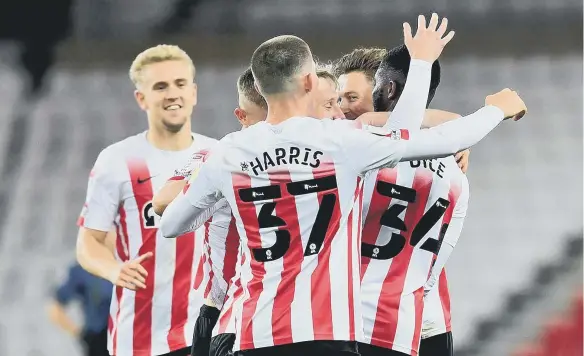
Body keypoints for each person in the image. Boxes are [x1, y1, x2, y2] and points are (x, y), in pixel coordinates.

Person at [160, 14, 526, 356]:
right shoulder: (340, 144)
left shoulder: (227, 153)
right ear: (308, 82)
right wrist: (491, 106)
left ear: (257, 86)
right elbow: (413, 135)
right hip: (332, 330)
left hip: (253, 328)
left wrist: (220, 194)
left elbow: (172, 224)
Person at [75, 44, 218, 356]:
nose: (172, 94)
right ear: (141, 98)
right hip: (140, 341)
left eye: (180, 84)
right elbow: (88, 242)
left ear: (193, 93)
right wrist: (114, 270)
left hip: (210, 333)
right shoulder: (116, 160)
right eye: (160, 86)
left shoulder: (218, 155)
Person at [358, 26, 468, 355]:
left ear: (388, 88)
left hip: (361, 322)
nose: (356, 107)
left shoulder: (361, 153)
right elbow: (437, 261)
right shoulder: (456, 173)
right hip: (418, 320)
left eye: (364, 92)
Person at [333, 46, 470, 173]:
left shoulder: (425, 150)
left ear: (384, 93)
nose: (340, 108)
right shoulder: (329, 136)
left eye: (352, 98)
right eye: (337, 100)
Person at [47, 232, 115, 356]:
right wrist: (80, 335)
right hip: (100, 341)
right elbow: (55, 309)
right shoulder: (85, 269)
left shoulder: (135, 263)